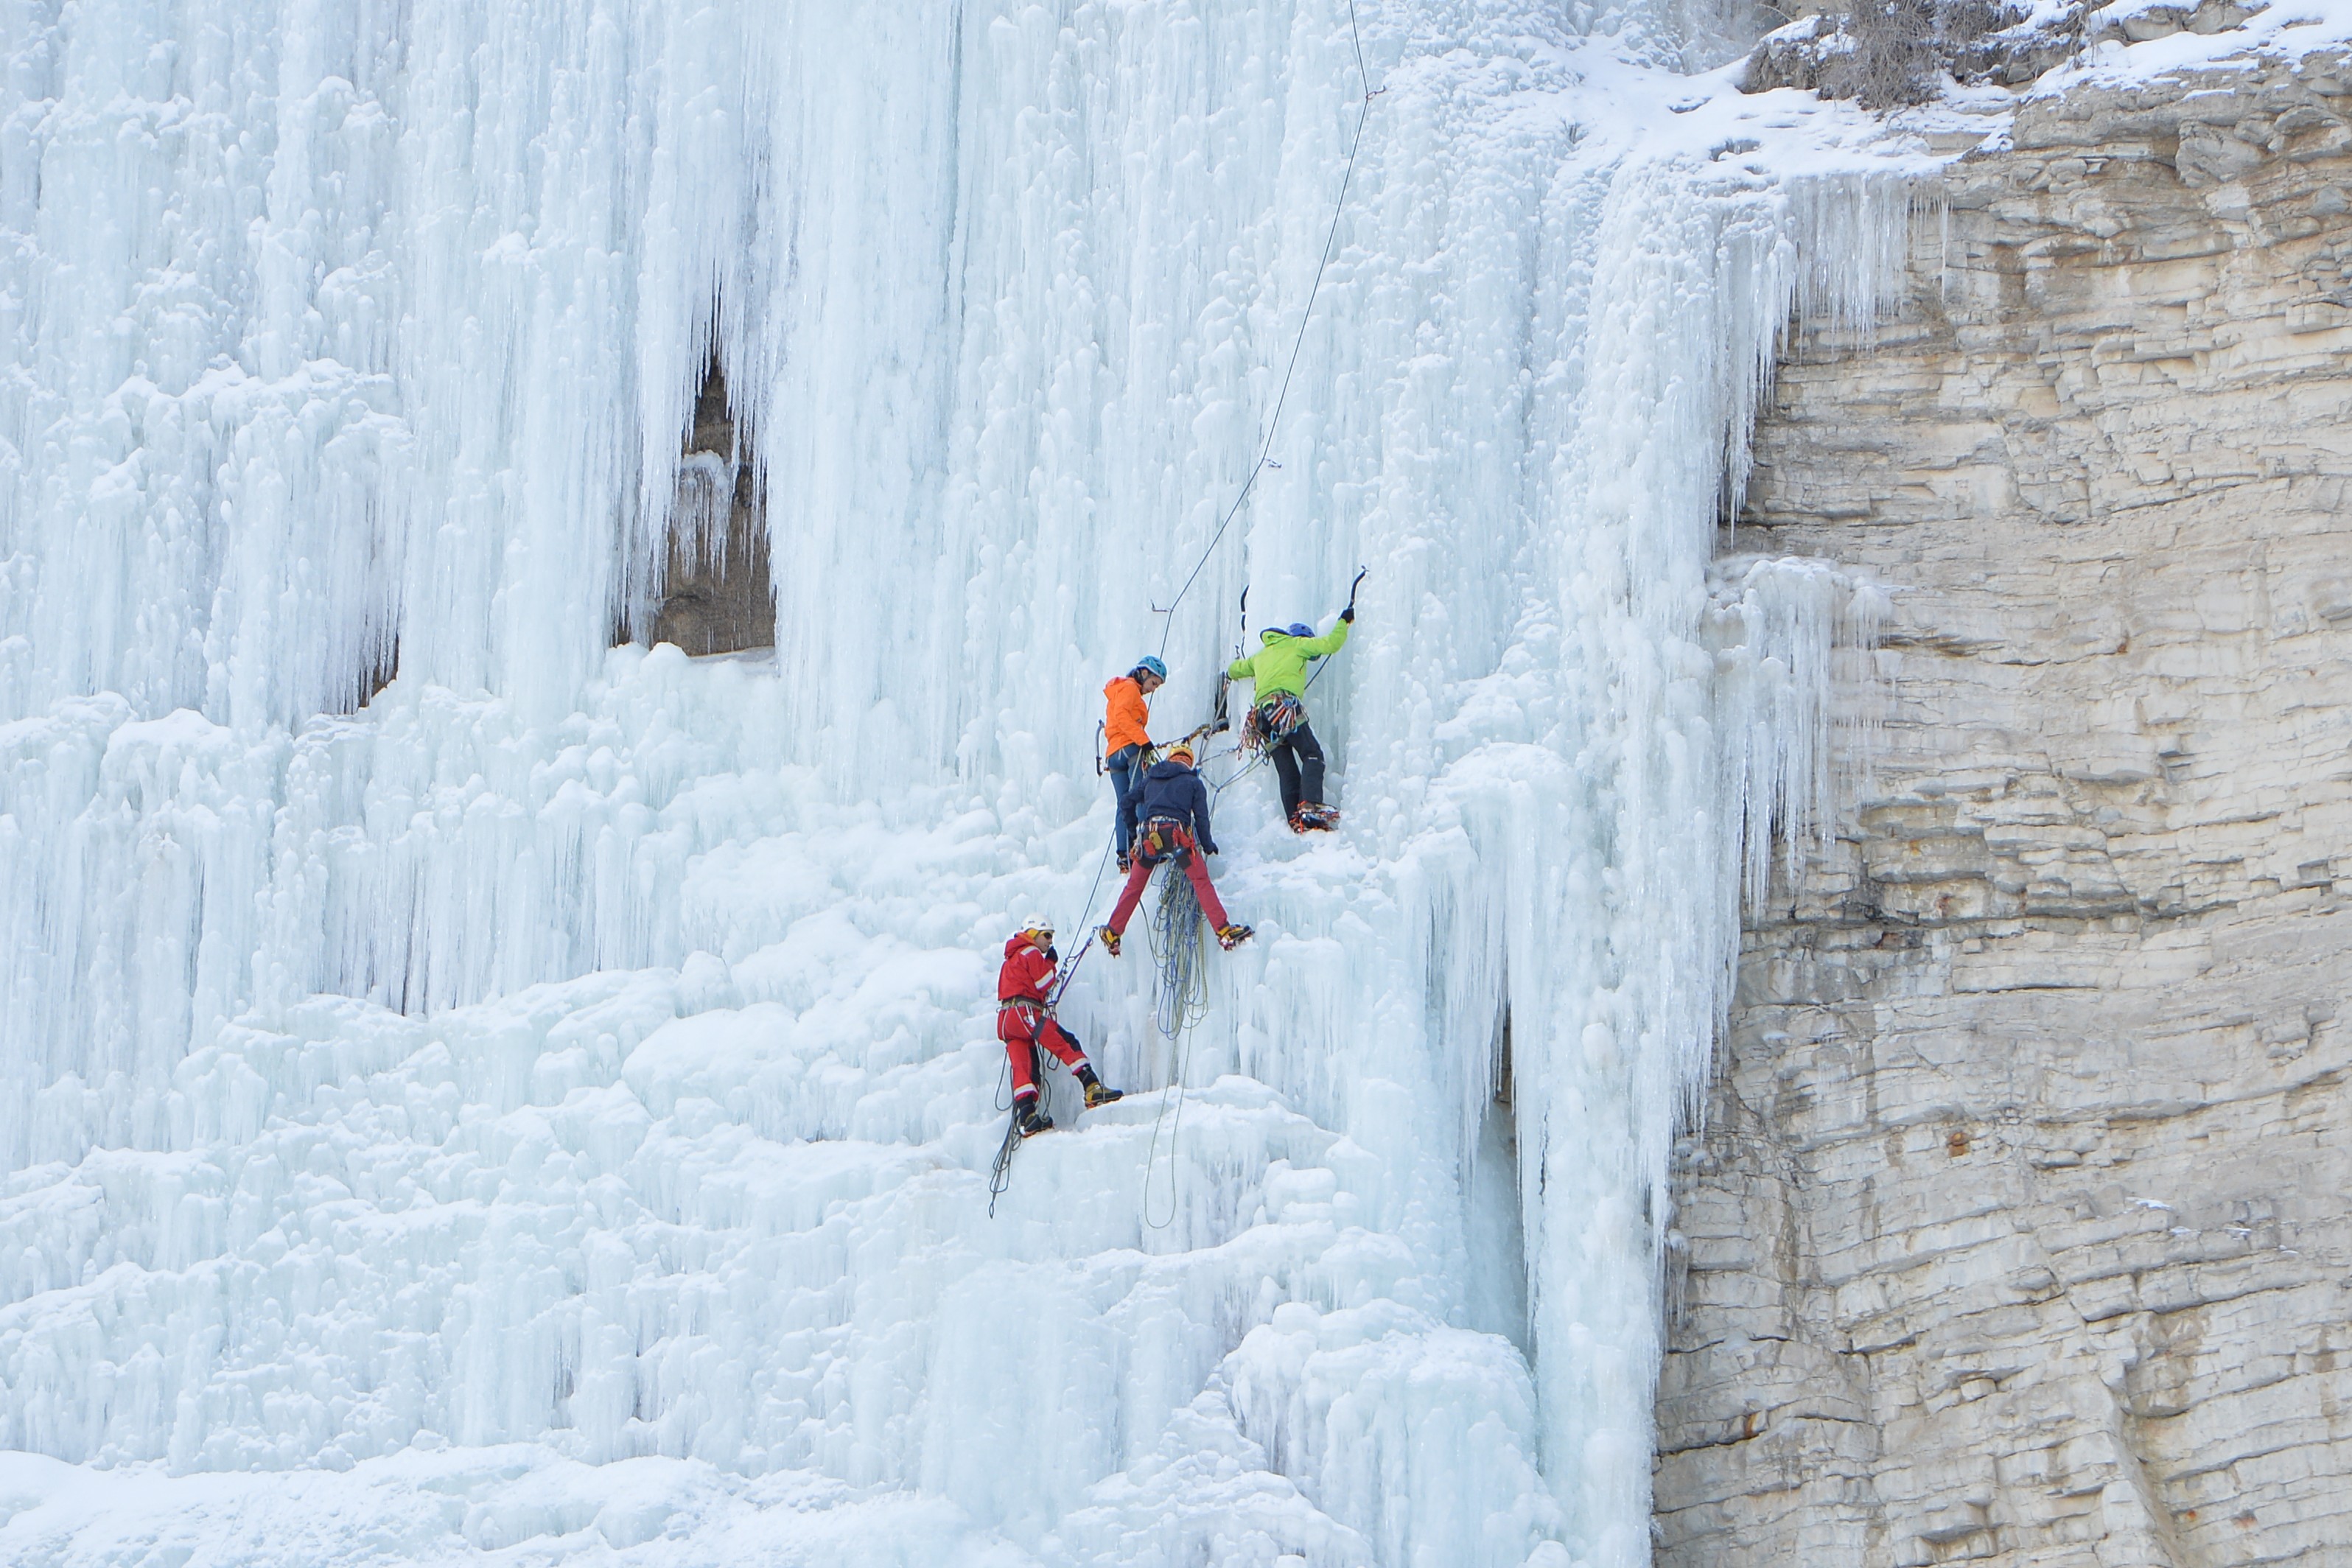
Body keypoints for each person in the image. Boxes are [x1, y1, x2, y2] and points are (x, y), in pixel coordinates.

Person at [1096, 743, 1253, 955]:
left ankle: (1113, 931)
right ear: (1188, 762)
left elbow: (1126, 802)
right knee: (1200, 881)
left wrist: (1133, 833)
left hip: (1149, 840)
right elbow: (1201, 819)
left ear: (1170, 758)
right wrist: (1207, 845)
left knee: (1134, 887)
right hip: (1177, 839)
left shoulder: (1150, 778)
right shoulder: (1192, 782)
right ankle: (1223, 930)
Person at [1223, 607, 1354, 831]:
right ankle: (1310, 807)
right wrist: (1344, 621)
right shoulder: (1298, 644)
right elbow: (1331, 644)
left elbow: (1236, 670)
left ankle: (1295, 818)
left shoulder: (1261, 655)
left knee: (1287, 770)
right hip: (1282, 707)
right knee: (1312, 754)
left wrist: (1233, 666)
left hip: (1261, 720)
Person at [998, 923, 1121, 1137]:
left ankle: (1027, 1116)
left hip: (1006, 1019)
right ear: (1033, 933)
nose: (1050, 941)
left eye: (1052, 937)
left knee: (1025, 1065)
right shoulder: (1031, 951)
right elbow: (1044, 982)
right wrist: (1052, 962)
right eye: (1046, 935)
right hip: (1025, 1013)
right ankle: (1092, 1087)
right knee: (1065, 1042)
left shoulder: (1010, 959)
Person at [1103, 656, 1166, 869]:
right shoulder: (1130, 688)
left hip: (1114, 755)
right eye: (1154, 683)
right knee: (1141, 798)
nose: (1153, 689)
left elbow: (1117, 718)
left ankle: (1124, 854)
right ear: (1145, 673)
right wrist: (1144, 741)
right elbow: (1122, 717)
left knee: (1124, 804)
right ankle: (1144, 848)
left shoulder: (1118, 691)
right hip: (1131, 750)